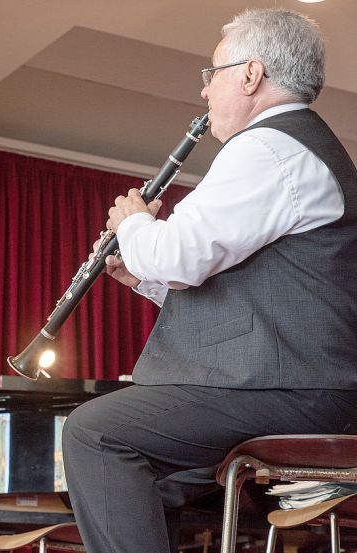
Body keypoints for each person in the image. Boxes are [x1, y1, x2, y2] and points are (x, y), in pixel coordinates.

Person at [60, 8, 357, 553]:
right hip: (305, 385)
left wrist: (134, 224)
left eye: (212, 73)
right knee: (157, 482)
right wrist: (141, 276)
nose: (204, 92)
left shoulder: (268, 148)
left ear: (250, 74)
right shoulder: (291, 148)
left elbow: (180, 255)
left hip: (298, 389)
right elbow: (236, 284)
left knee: (95, 433)